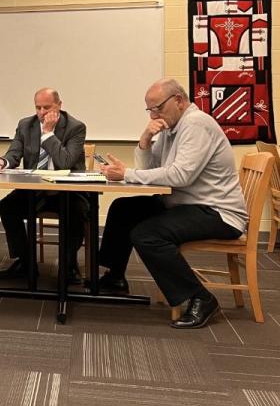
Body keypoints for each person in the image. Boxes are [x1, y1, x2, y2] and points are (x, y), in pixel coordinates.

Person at [97, 78, 247, 329]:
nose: (154, 114)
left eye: (158, 108)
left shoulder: (196, 124)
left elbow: (180, 175)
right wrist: (145, 139)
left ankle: (201, 297)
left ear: (178, 100)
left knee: (146, 235)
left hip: (217, 212)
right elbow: (151, 170)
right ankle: (115, 276)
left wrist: (127, 174)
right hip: (185, 203)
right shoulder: (171, 128)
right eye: (150, 110)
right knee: (123, 208)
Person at [0, 88, 89, 279]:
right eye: (38, 107)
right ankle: (25, 262)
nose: (42, 112)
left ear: (59, 105)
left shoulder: (76, 127)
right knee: (7, 206)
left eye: (47, 107)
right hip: (34, 190)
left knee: (77, 212)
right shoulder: (26, 125)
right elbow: (14, 153)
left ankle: (68, 265)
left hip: (66, 191)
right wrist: (3, 161)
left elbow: (65, 162)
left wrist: (48, 134)